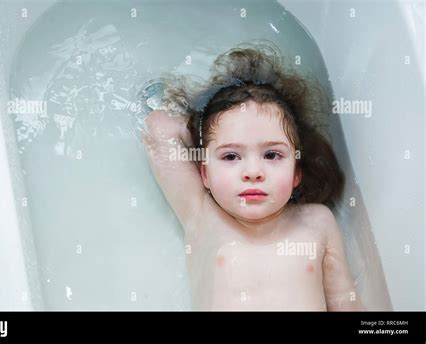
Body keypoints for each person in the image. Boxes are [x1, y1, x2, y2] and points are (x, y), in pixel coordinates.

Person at [141, 41, 364, 311]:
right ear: (205, 175)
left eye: (272, 155)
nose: (253, 173)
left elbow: (345, 301)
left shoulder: (318, 221)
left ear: (296, 172)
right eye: (231, 156)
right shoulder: (202, 214)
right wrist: (201, 119)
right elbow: (159, 128)